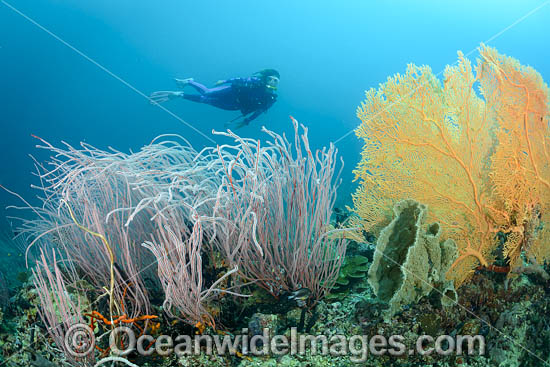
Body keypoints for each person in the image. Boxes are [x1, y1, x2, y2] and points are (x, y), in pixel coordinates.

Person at [150, 69, 279, 128]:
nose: (272, 82)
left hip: (234, 105)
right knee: (207, 92)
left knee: (205, 101)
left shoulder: (270, 98)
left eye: (275, 81)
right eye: (271, 79)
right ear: (266, 78)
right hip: (231, 91)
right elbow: (242, 80)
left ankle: (181, 95)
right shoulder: (256, 81)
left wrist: (246, 122)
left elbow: (259, 111)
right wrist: (224, 81)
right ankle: (189, 82)